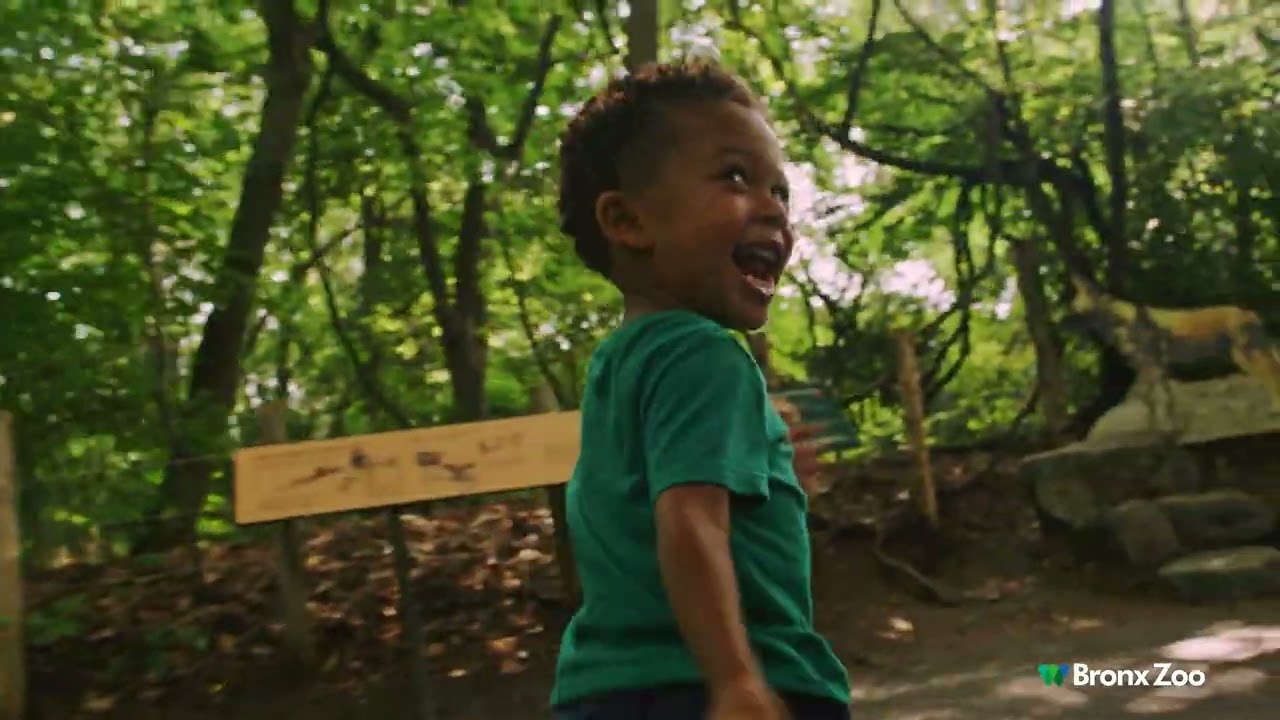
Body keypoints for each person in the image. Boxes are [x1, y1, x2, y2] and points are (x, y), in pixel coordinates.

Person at [549, 60, 852, 720]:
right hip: (702, 685)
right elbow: (689, 518)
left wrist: (770, 477)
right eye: (735, 177)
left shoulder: (623, 361)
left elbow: (643, 517)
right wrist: (735, 680)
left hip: (610, 689)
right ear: (627, 220)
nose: (773, 208)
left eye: (780, 191)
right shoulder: (705, 352)